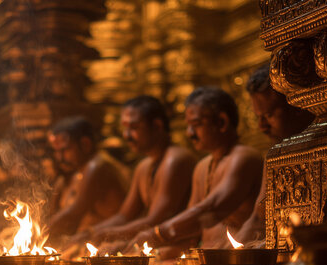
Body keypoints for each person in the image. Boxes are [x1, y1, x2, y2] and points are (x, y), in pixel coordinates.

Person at [126, 87, 263, 252]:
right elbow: (194, 230)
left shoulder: (244, 157)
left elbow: (211, 210)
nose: (190, 133)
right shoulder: (202, 166)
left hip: (239, 260)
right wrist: (156, 253)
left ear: (222, 122)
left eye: (196, 125)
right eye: (188, 126)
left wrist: (157, 234)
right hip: (207, 259)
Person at [64, 96, 197, 256]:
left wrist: (107, 235)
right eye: (125, 128)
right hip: (155, 247)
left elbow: (157, 219)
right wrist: (91, 233)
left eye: (134, 127)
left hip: (181, 250)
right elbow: (124, 216)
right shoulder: (144, 166)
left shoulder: (175, 159)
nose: (127, 135)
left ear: (157, 126)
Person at [234, 64, 315, 246]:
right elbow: (258, 217)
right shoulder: (274, 156)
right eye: (258, 117)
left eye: (269, 115)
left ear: (297, 105)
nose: (262, 126)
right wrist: (232, 250)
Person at [46, 116, 129, 243]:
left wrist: (39, 232)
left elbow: (75, 211)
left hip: (109, 244)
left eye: (65, 150)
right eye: (56, 151)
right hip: (85, 244)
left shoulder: (98, 165)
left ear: (85, 144)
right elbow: (54, 214)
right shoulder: (72, 175)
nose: (60, 157)